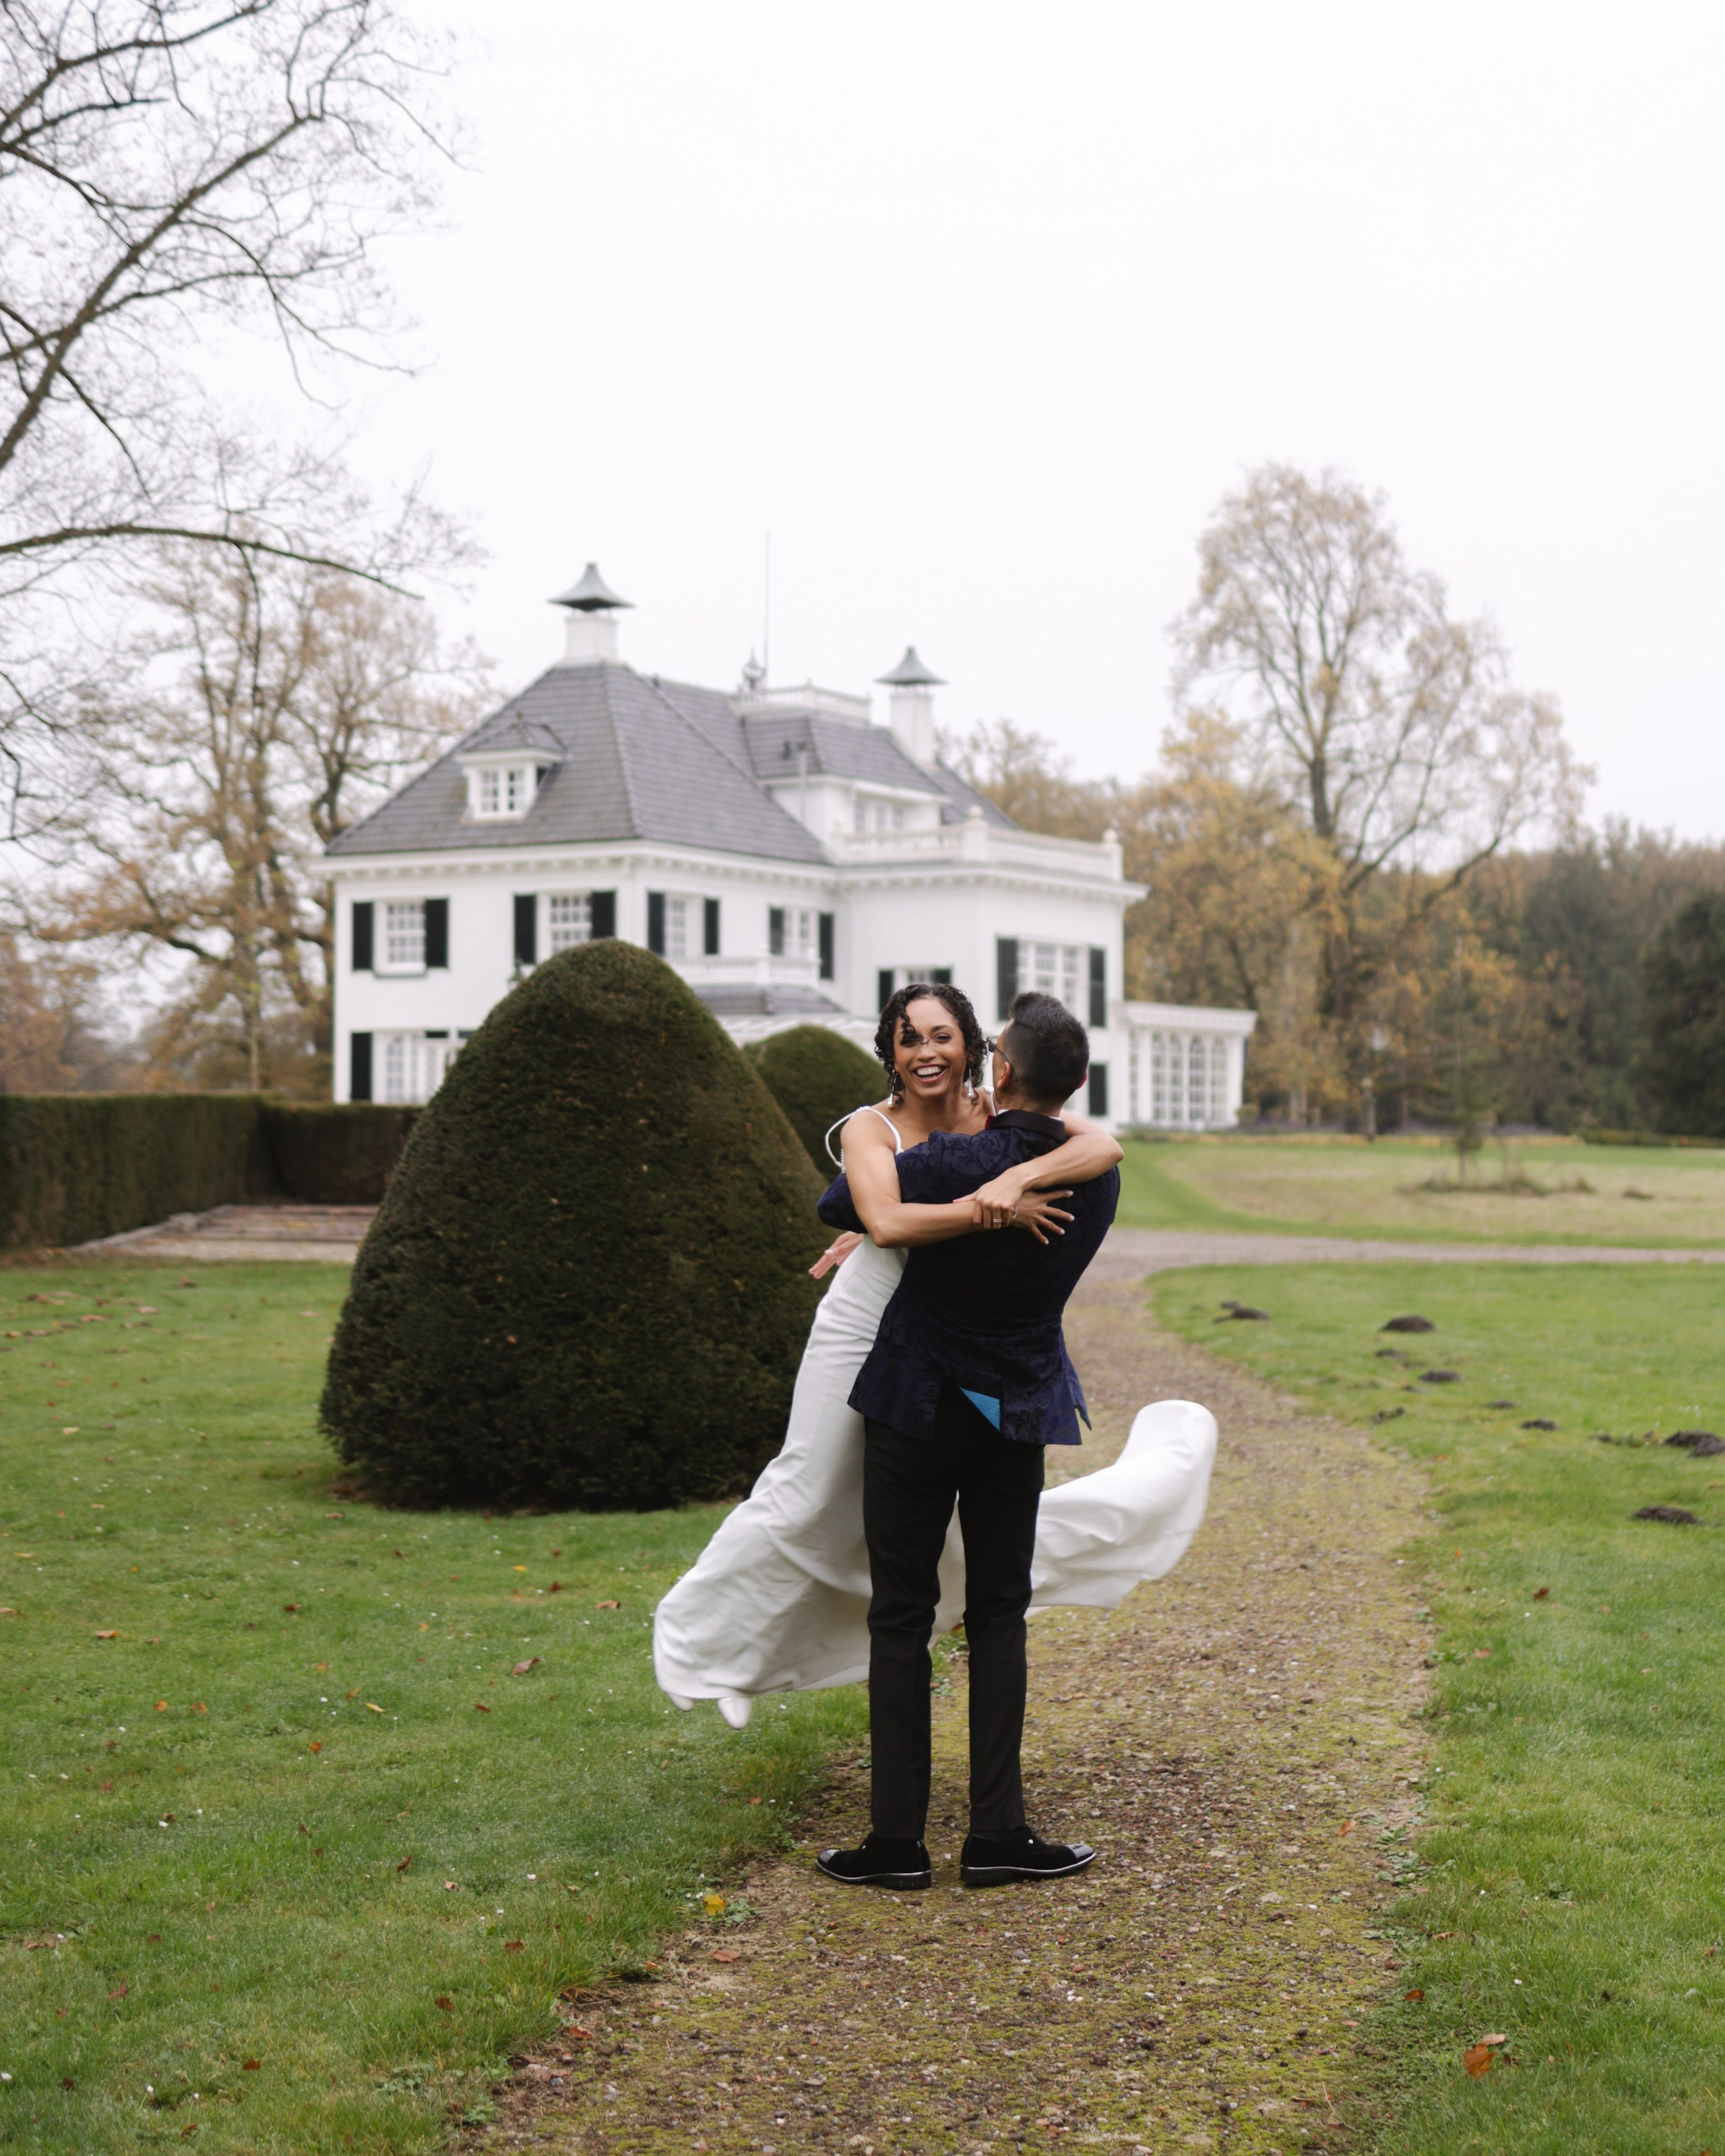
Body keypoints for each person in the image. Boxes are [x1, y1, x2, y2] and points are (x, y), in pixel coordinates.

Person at [650, 982, 1217, 1796]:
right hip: (869, 1315)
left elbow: (1103, 1147)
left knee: (924, 1543)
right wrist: (985, 1206)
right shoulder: (867, 1127)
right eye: (908, 1036)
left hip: (949, 1317)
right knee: (805, 1490)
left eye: (941, 1035)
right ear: (890, 1047)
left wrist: (1017, 1180)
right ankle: (711, 1648)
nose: (925, 1051)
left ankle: (793, 1664)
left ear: (977, 1047)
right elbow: (881, 1221)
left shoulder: (986, 1115)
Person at [812, 991, 1121, 1892]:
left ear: (1000, 1068)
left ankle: (897, 1843)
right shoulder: (1094, 1173)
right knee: (999, 1615)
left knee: (901, 1617)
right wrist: (1021, 1183)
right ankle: (997, 1834)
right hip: (1013, 1410)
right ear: (1082, 1081)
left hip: (914, 1405)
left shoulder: (945, 1160)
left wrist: (988, 1186)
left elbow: (853, 1208)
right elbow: (1098, 1142)